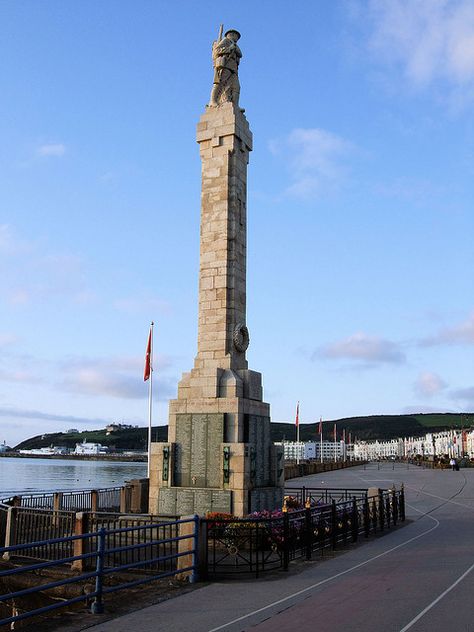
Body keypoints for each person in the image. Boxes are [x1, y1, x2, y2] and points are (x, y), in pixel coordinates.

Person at [209, 28, 242, 107]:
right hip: (225, 65)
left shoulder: (235, 45)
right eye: (236, 36)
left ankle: (235, 105)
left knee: (236, 87)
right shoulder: (225, 41)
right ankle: (212, 101)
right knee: (219, 82)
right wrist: (229, 49)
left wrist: (234, 48)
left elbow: (240, 54)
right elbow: (217, 51)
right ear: (231, 34)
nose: (237, 38)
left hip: (233, 68)